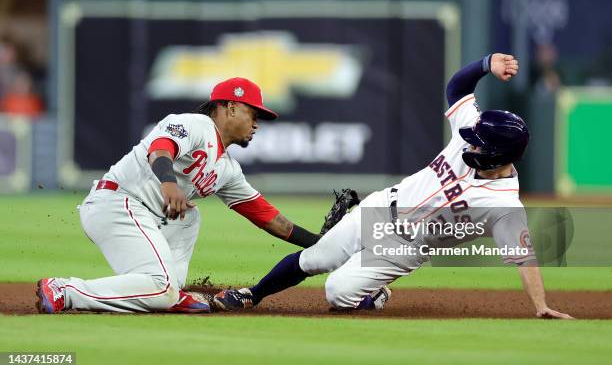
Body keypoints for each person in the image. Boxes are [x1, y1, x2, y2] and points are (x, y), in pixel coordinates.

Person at [213, 54, 574, 319]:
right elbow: (456, 88)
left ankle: (374, 292)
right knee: (315, 258)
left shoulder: (504, 206)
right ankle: (252, 295)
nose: (470, 143)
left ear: (498, 155)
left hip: (405, 246)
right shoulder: (473, 133)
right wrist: (486, 64)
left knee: (336, 292)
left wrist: (540, 305)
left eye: (478, 143)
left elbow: (524, 258)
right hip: (383, 206)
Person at [35, 77, 321, 313]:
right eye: (253, 113)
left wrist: (326, 244)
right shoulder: (196, 125)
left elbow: (273, 221)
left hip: (147, 215)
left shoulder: (228, 170)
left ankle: (169, 294)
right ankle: (66, 289)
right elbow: (160, 148)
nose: (256, 123)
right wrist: (168, 182)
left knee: (188, 219)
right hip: (118, 202)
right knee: (160, 287)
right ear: (231, 107)